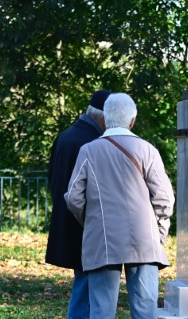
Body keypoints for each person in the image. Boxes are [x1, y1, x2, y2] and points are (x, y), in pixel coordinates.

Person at [65, 93, 175, 319]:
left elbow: (74, 197)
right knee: (145, 310)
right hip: (144, 239)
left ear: (105, 119)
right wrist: (159, 233)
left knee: (101, 310)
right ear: (132, 120)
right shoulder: (147, 150)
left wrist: (92, 222)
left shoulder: (89, 150)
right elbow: (165, 198)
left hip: (103, 238)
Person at [46, 89, 110, 319]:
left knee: (84, 280)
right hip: (86, 222)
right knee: (88, 284)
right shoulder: (92, 141)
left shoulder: (66, 136)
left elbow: (51, 175)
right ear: (102, 117)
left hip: (69, 217)